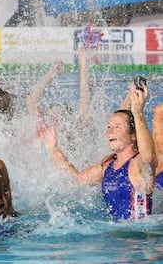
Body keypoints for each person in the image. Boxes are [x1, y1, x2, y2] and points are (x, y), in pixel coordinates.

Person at [42, 82, 156, 221]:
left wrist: (137, 112)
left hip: (140, 239)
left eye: (117, 127)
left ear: (133, 135)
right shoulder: (107, 166)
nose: (110, 131)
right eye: (109, 127)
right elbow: (75, 179)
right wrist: (53, 148)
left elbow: (148, 156)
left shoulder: (139, 165)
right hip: (115, 238)